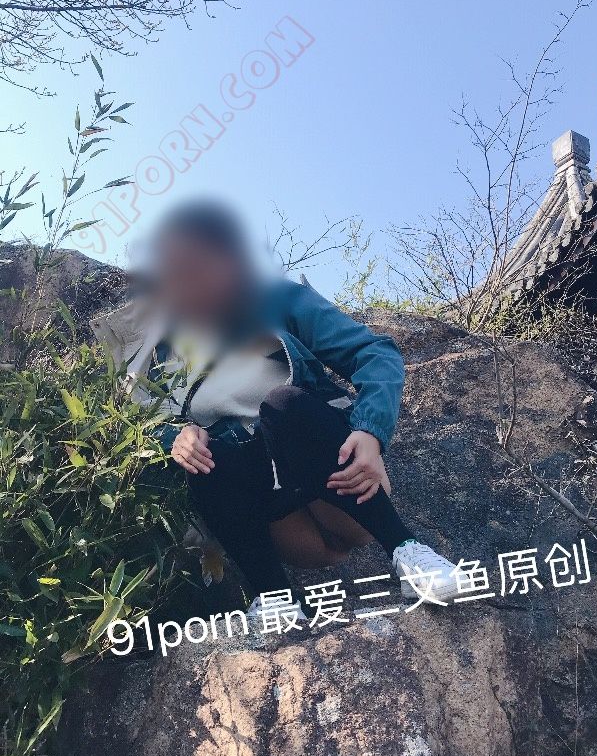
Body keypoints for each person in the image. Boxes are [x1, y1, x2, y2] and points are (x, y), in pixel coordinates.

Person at [91, 199, 462, 620]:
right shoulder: (151, 357)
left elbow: (374, 353)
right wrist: (177, 437)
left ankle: (408, 551)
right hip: (280, 520)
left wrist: (370, 431)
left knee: (283, 404)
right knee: (202, 458)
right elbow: (140, 428)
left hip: (337, 485)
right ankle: (275, 599)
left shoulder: (274, 299)